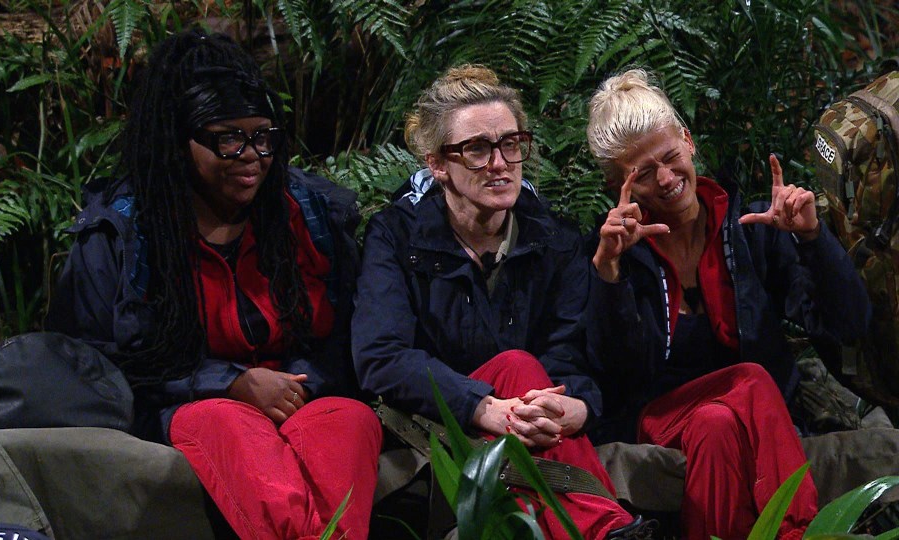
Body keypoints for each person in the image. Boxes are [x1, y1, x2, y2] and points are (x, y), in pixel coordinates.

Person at [47, 28, 381, 540]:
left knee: (350, 420)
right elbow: (92, 362)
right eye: (228, 138)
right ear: (181, 143)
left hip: (306, 397)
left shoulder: (309, 215)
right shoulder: (124, 232)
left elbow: (354, 334)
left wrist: (297, 382)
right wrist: (227, 382)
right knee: (229, 424)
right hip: (186, 410)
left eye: (263, 136)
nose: (252, 156)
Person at [352, 64, 651, 540]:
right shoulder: (396, 235)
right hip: (439, 419)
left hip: (528, 420)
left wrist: (576, 404)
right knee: (514, 363)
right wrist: (482, 405)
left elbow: (570, 354)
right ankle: (607, 529)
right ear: (437, 164)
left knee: (523, 370)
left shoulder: (552, 237)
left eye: (510, 144)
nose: (499, 163)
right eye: (476, 149)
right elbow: (381, 358)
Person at [583, 68, 872, 540]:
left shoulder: (750, 228)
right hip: (656, 417)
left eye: (670, 157)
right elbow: (615, 374)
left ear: (689, 141)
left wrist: (812, 238)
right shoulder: (611, 251)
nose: (665, 178)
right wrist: (609, 273)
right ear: (620, 186)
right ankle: (797, 531)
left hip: (731, 423)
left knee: (716, 424)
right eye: (642, 174)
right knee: (751, 381)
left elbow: (849, 322)